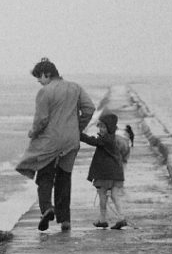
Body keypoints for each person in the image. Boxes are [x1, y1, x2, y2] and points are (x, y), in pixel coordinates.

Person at [15, 57, 96, 232]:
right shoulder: (75, 87)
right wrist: (76, 128)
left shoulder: (45, 92)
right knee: (64, 177)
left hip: (50, 141)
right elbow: (89, 109)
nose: (38, 81)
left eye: (39, 77)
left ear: (47, 74)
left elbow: (42, 119)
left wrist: (33, 132)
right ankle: (65, 219)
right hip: (71, 141)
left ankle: (47, 209)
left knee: (44, 175)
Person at [79, 111, 128, 229]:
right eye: (99, 126)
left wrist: (79, 135)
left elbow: (93, 141)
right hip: (116, 173)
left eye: (103, 127)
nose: (100, 129)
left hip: (105, 173)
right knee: (115, 195)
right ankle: (121, 218)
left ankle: (103, 219)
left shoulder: (106, 140)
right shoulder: (111, 139)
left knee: (102, 195)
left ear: (109, 128)